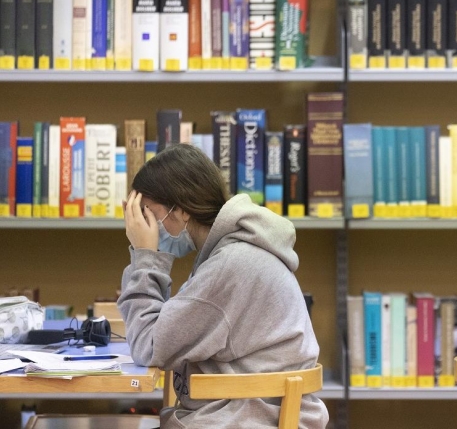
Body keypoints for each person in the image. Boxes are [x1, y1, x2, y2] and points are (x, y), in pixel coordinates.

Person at [118, 144, 328, 429]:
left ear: (180, 211)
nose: (146, 226)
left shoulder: (230, 265)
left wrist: (145, 257)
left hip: (244, 419)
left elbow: (149, 346)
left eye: (148, 215)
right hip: (246, 413)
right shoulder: (235, 253)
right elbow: (167, 333)